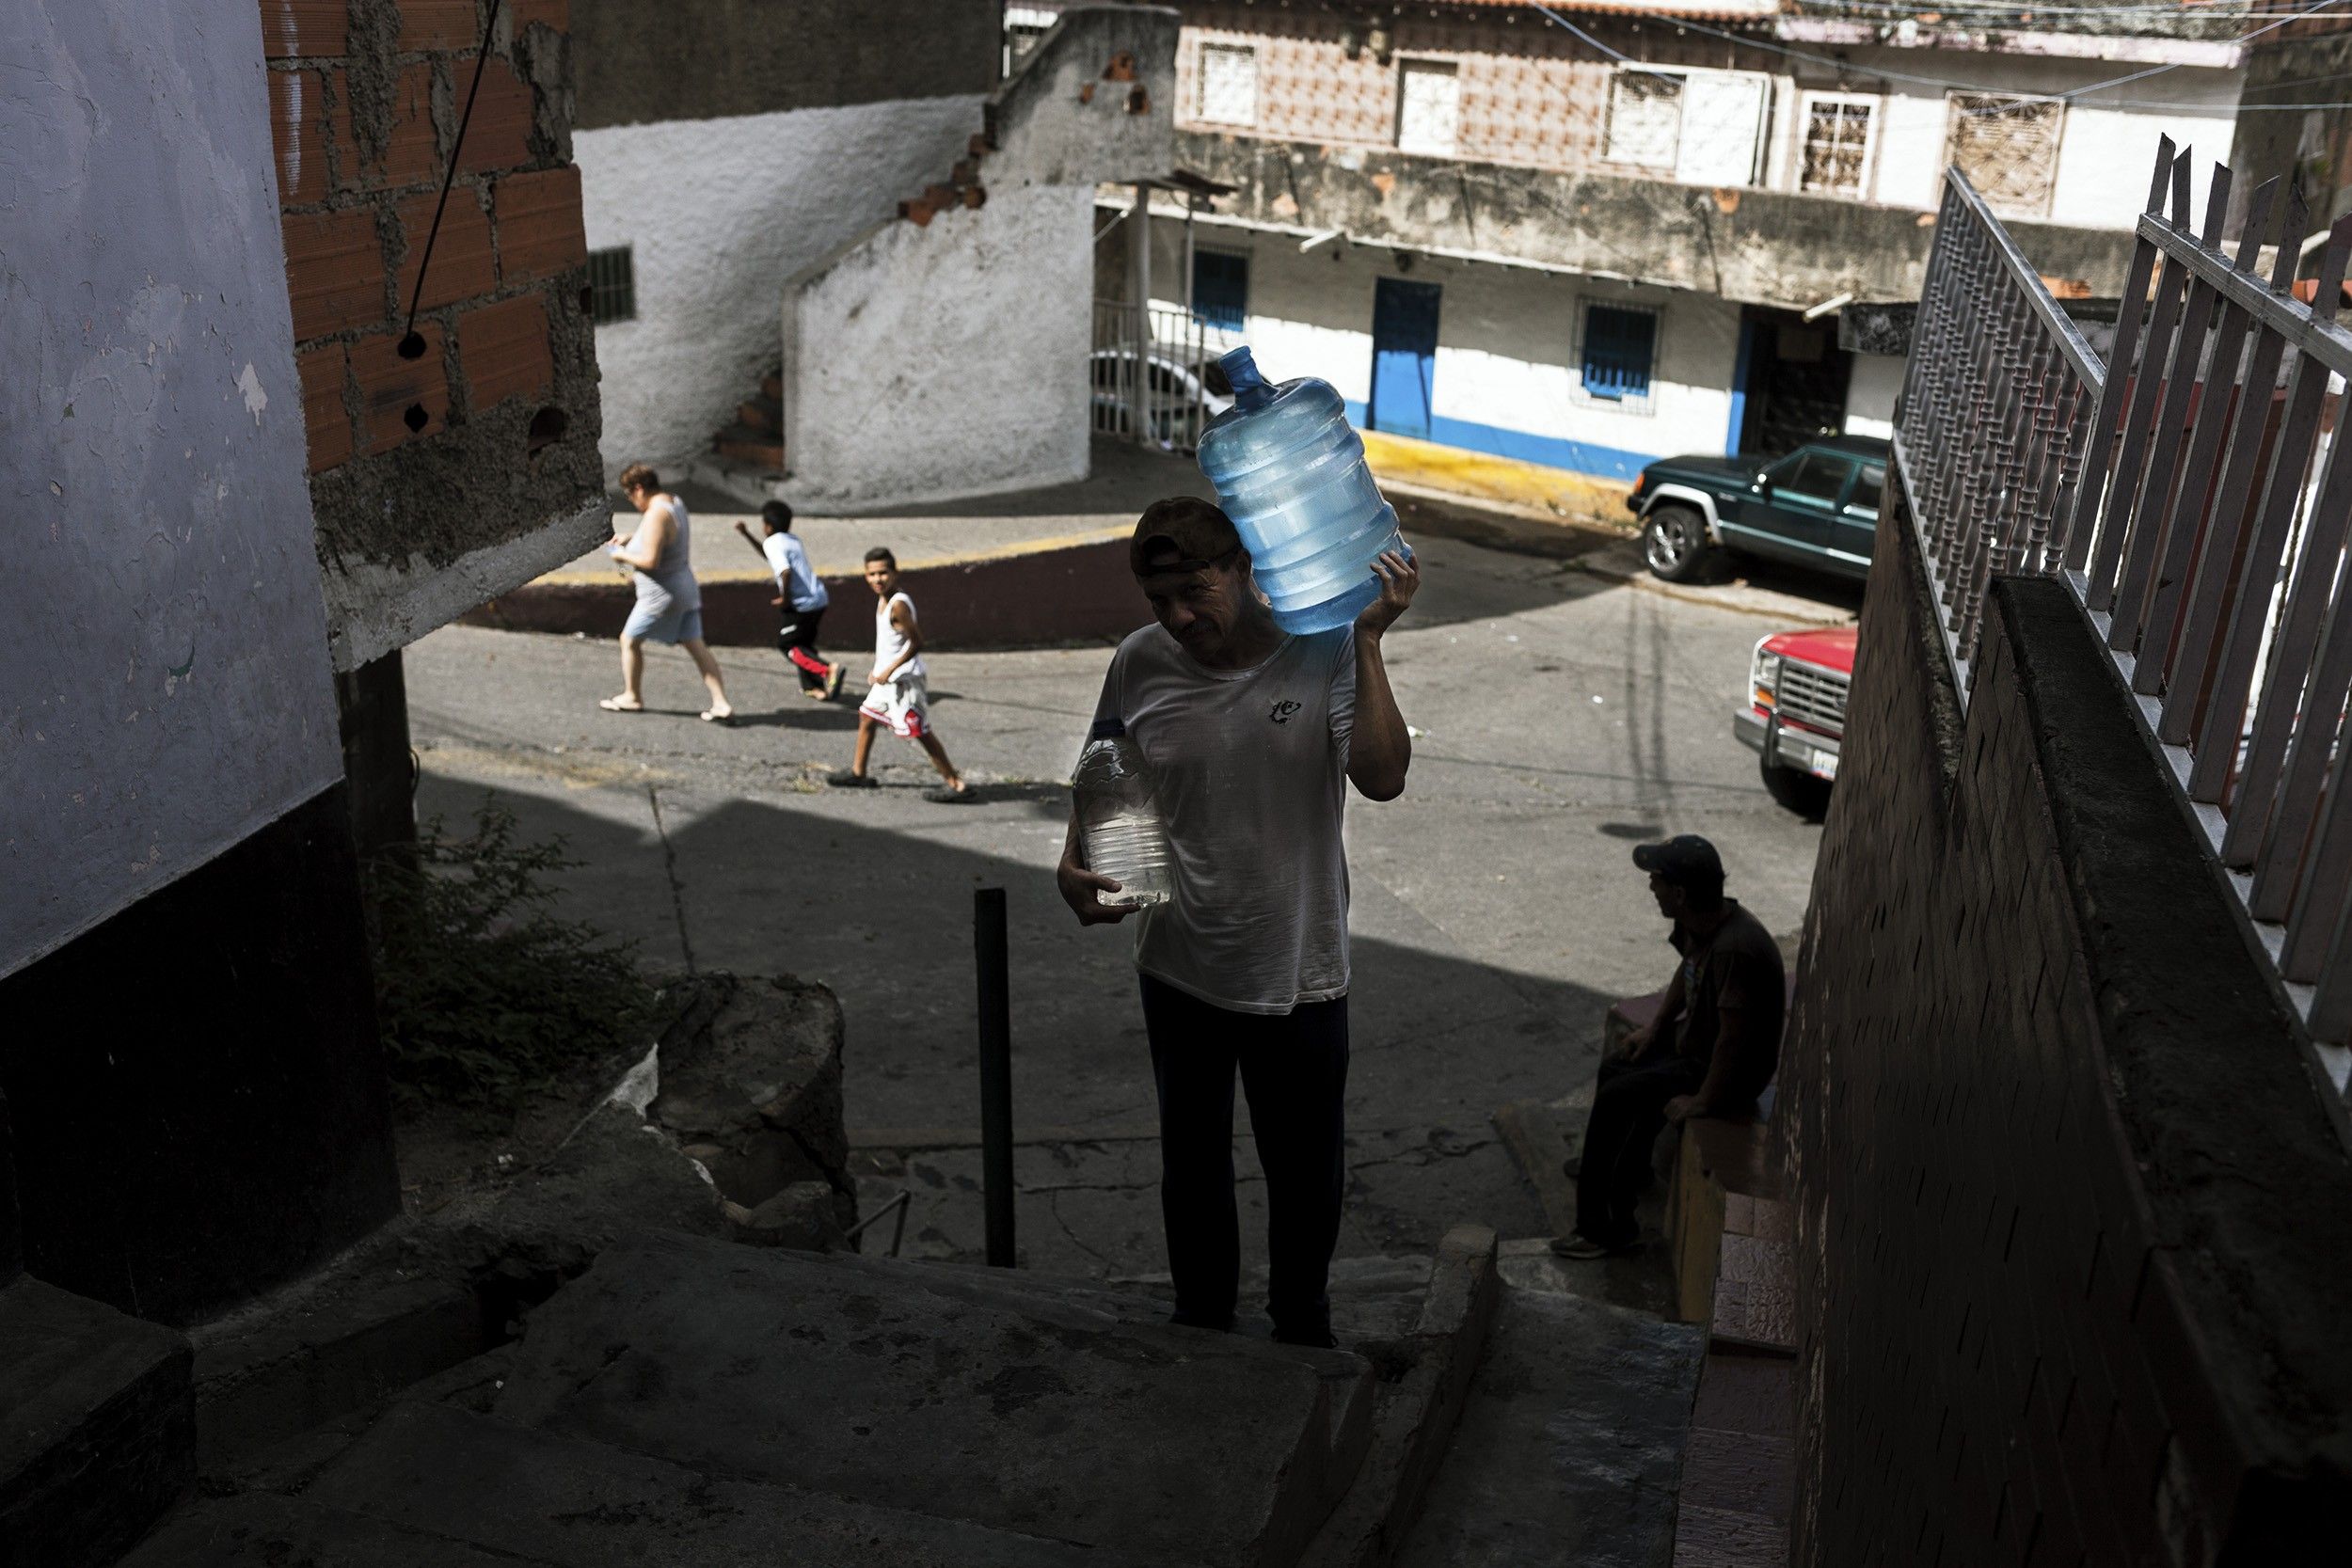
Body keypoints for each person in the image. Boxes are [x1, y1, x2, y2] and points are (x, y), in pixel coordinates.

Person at [1057, 497, 1417, 1347]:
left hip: (1299, 970)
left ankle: (1302, 1323)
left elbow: (1384, 775)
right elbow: (1109, 766)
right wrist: (1075, 861)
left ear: (1247, 569)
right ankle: (1202, 1318)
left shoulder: (1324, 649)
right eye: (1159, 602)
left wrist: (1367, 642)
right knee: (1191, 1169)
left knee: (1304, 1175)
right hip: (1178, 967)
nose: (1179, 619)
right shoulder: (1140, 661)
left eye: (1195, 591)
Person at [1551, 834, 1786, 1260]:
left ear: (1679, 893)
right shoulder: (1702, 920)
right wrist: (1655, 1028)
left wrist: (1704, 1100)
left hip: (1721, 1072)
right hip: (1694, 1049)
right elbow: (1687, 969)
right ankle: (1621, 1170)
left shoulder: (1737, 949)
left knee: (1617, 1098)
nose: (1651, 888)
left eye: (1656, 880)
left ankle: (1605, 1230)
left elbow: (1734, 1041)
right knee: (1617, 1066)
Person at [829, 548, 971, 802]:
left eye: (883, 573)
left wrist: (888, 670)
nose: (877, 579)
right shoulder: (883, 600)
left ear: (895, 573)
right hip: (886, 680)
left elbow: (917, 642)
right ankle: (858, 772)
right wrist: (879, 669)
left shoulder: (899, 605)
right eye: (872, 574)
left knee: (920, 732)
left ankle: (956, 784)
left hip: (904, 681)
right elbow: (890, 643)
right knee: (866, 717)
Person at [600, 464, 734, 722]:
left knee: (629, 640)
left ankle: (632, 696)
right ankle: (721, 703)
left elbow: (651, 560)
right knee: (696, 645)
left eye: (630, 495)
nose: (631, 500)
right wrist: (631, 537)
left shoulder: (655, 515)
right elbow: (664, 538)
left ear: (639, 489)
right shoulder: (674, 502)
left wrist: (621, 556)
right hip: (685, 588)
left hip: (662, 595)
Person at [733, 500, 845, 701]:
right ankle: (814, 688)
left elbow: (784, 570)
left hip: (800, 604)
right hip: (819, 598)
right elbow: (770, 555)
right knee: (804, 645)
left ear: (767, 526)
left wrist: (785, 598)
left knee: (788, 646)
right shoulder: (792, 540)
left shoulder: (773, 543)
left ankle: (827, 670)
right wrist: (747, 534)